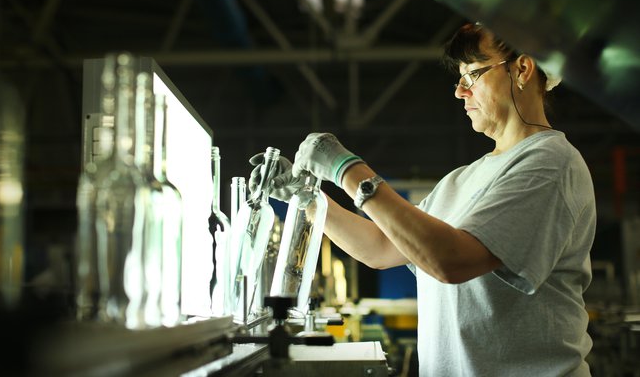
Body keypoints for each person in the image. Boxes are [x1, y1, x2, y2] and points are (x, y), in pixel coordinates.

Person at [249, 22, 596, 376]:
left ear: (522, 69)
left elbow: (451, 262)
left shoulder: (551, 162)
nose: (461, 91)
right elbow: (381, 248)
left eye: (473, 75)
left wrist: (349, 171)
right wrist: (306, 198)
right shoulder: (460, 180)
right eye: (459, 78)